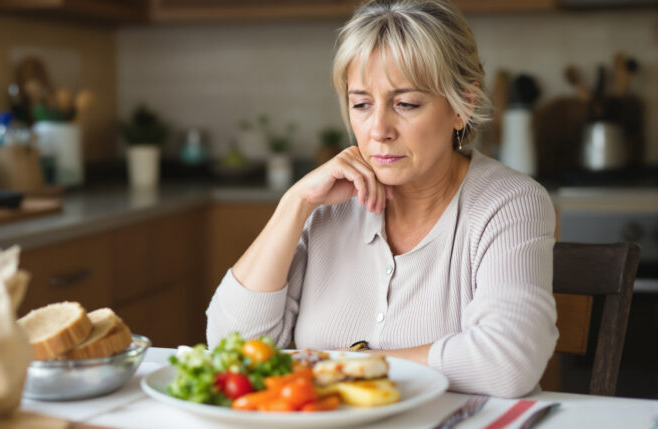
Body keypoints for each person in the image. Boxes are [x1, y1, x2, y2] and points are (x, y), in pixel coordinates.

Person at [206, 0, 558, 398]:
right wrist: (295, 203)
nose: (378, 129)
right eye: (361, 104)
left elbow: (507, 363)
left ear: (464, 106)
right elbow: (230, 350)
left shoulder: (509, 202)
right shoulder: (325, 206)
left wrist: (347, 365)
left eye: (406, 104)